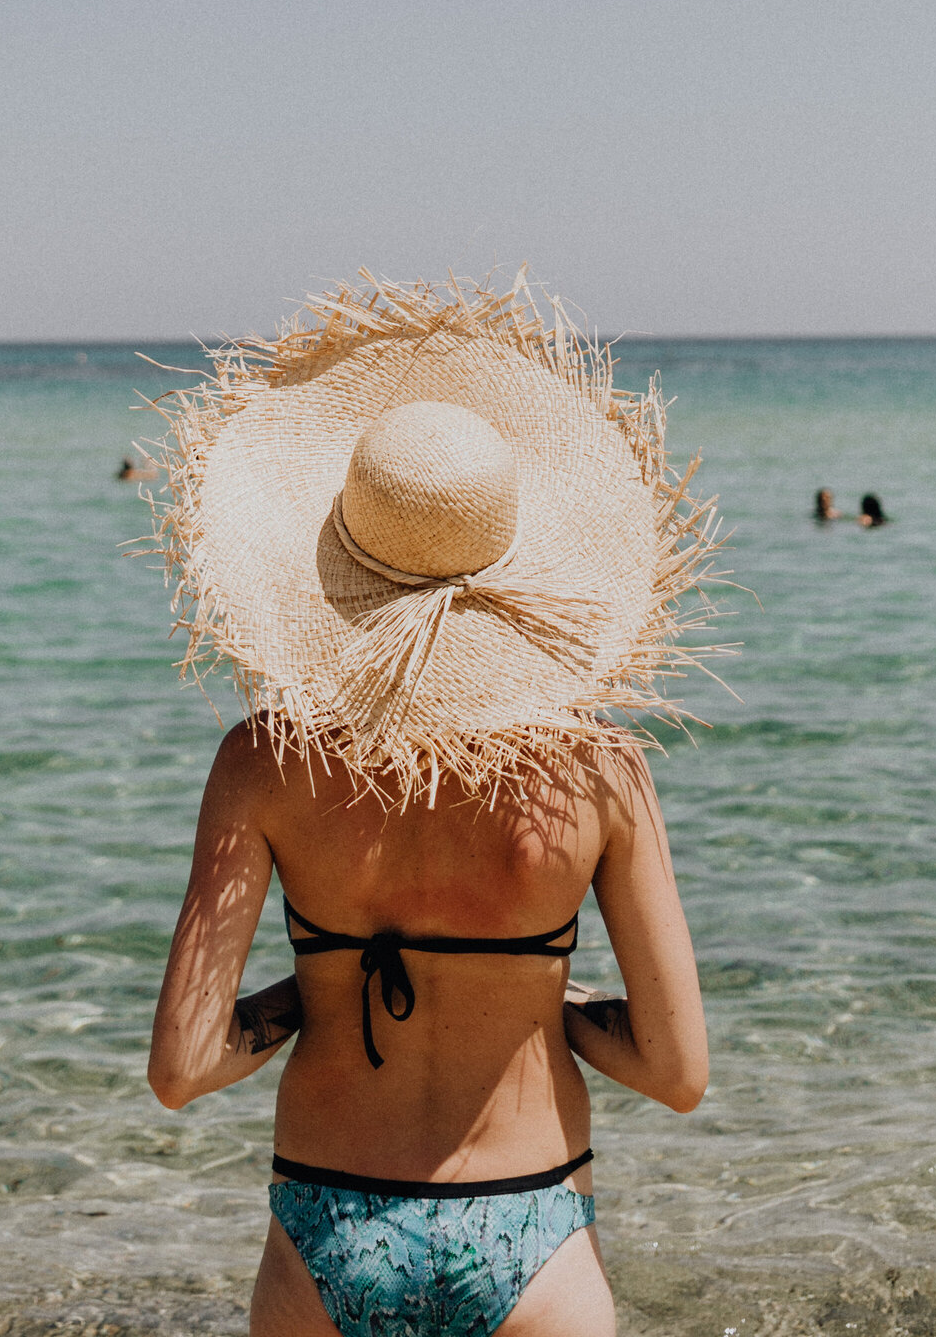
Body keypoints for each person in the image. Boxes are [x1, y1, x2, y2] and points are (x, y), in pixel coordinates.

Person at [141, 277, 717, 1337]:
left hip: (329, 1222)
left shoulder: (263, 762)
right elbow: (677, 1072)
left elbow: (184, 1069)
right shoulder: (601, 772)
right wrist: (537, 999)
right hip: (530, 1223)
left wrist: (313, 990)